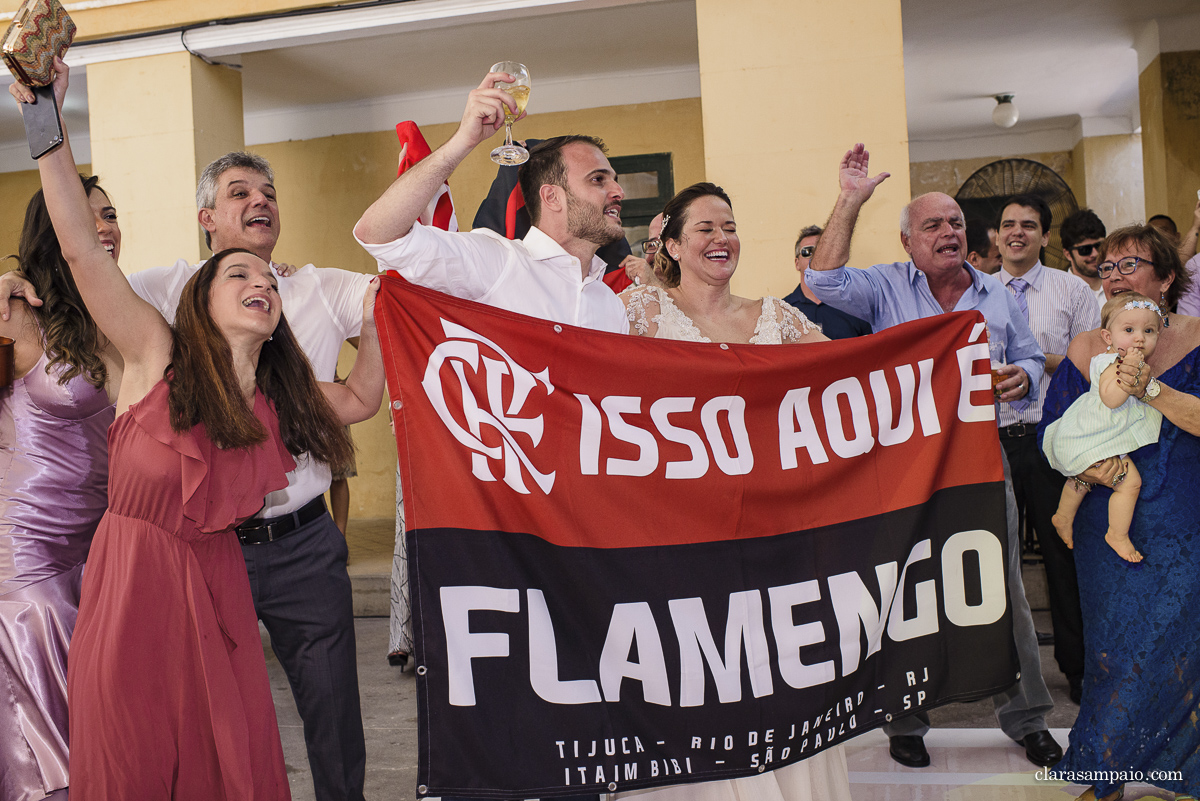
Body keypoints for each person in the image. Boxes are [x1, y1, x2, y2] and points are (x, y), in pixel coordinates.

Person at [11, 59, 385, 799]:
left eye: (271, 283)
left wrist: (382, 314)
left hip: (217, 593)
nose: (261, 284)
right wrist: (45, 118)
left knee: (229, 756)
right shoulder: (154, 353)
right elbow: (83, 251)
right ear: (200, 295)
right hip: (132, 591)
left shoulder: (279, 400)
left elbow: (363, 393)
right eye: (239, 275)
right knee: (134, 756)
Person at [355, 69, 627, 801]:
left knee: (584, 714)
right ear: (551, 196)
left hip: (590, 541)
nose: (617, 191)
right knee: (500, 723)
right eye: (600, 178)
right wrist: (462, 142)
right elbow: (377, 234)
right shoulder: (491, 262)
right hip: (498, 540)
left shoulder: (610, 305)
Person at [805, 145, 1061, 770]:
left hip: (980, 458)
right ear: (908, 241)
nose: (949, 232)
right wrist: (849, 200)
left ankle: (1027, 718)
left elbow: (1028, 357)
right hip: (903, 464)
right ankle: (906, 723)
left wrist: (1022, 380)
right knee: (905, 588)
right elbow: (819, 280)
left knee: (1000, 589)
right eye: (933, 225)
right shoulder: (885, 286)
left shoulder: (996, 295)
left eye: (955, 223)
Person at [620, 182, 845, 801]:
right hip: (681, 526)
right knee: (699, 663)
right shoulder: (639, 313)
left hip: (774, 527)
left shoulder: (779, 318)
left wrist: (957, 373)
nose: (722, 239)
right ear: (672, 243)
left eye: (730, 227)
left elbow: (858, 375)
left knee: (771, 666)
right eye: (705, 229)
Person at [1040, 224, 1200, 801]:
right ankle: (1104, 775)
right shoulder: (1087, 347)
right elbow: (1052, 432)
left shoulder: (1199, 338)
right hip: (1109, 519)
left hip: (1184, 516)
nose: (1114, 274)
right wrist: (1088, 470)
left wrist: (1151, 389)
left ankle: (1182, 773)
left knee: (1181, 643)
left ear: (1166, 277)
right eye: (1106, 266)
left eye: (1130, 263)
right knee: (1113, 648)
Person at [0, 175, 120, 801]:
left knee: (98, 733)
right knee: (44, 747)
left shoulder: (118, 310)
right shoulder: (20, 312)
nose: (107, 226)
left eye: (112, 214)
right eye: (89, 213)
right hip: (28, 561)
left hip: (94, 554)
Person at [994, 194, 1097, 705]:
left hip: (1051, 439)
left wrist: (1038, 360)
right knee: (995, 561)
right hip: (990, 442)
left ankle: (1079, 671)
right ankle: (1002, 675)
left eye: (1029, 225)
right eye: (1009, 225)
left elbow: (1093, 370)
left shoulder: (1072, 290)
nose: (1018, 232)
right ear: (996, 236)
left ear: (1045, 236)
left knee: (1063, 556)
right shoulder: (977, 294)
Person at [1042, 293, 1164, 563]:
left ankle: (1063, 515)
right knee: (1130, 483)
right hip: (1098, 432)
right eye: (1129, 330)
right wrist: (1129, 375)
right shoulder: (1114, 364)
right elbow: (1111, 399)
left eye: (1149, 330)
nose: (1140, 338)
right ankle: (1117, 534)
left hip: (1097, 432)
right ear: (1108, 338)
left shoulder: (1118, 361)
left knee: (1080, 477)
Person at [782, 224, 871, 339]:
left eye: (822, 250)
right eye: (807, 251)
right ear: (797, 263)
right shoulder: (783, 311)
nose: (815, 256)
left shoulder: (855, 306)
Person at [1060, 209, 1107, 310]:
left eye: (1099, 246)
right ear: (1068, 254)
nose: (1095, 254)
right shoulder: (1058, 292)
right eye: (1085, 250)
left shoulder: (1119, 284)